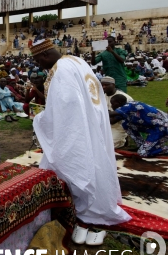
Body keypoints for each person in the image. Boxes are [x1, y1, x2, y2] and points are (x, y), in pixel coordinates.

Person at [30, 39, 130, 243]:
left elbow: (66, 107)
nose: (38, 65)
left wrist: (42, 119)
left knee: (72, 164)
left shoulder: (61, 70)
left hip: (77, 126)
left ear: (45, 55)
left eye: (38, 60)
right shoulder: (76, 61)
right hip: (92, 120)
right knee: (94, 159)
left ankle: (79, 204)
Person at [100, 77, 133, 149]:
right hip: (104, 126)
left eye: (106, 85)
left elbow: (116, 119)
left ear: (113, 85)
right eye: (102, 85)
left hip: (120, 127)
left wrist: (106, 114)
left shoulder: (125, 98)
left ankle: (124, 140)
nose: (103, 87)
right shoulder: (100, 97)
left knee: (107, 146)